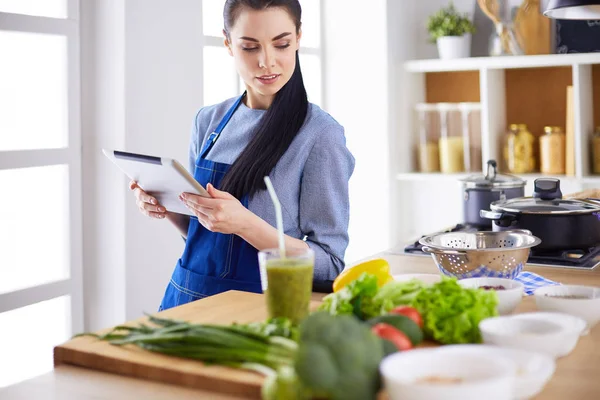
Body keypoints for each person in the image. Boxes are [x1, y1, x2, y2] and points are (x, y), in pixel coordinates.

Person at [130, 0, 355, 310]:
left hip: (261, 311)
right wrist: (167, 206)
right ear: (228, 44)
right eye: (250, 47)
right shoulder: (208, 121)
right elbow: (205, 239)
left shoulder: (319, 135)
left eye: (282, 44)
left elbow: (329, 264)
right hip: (186, 300)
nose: (267, 62)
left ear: (299, 38)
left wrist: (244, 224)